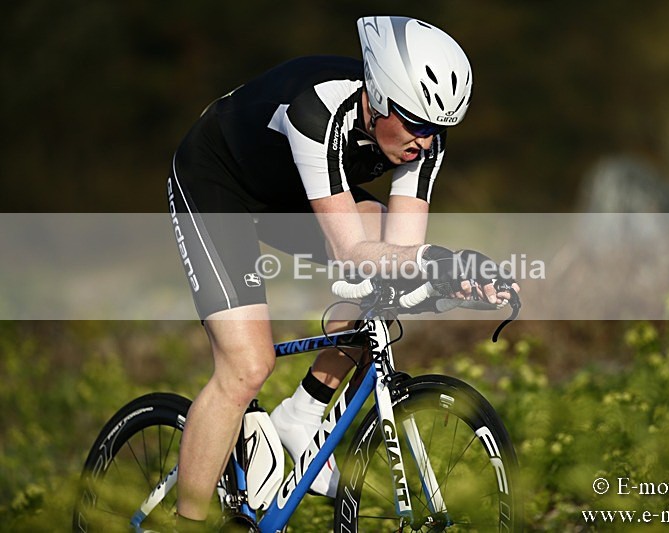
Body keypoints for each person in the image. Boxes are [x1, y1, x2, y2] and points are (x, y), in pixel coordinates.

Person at [167, 15, 515, 528]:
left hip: (293, 195)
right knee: (246, 366)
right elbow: (352, 250)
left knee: (388, 283)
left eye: (439, 128)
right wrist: (433, 260)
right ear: (378, 97)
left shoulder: (422, 140)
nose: (427, 140)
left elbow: (401, 255)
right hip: (216, 183)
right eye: (417, 123)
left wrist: (455, 277)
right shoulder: (317, 111)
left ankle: (304, 413)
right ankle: (185, 522)